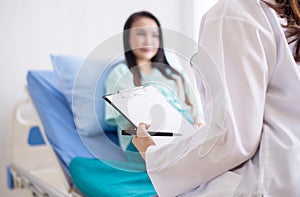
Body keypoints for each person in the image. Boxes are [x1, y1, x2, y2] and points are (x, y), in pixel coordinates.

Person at [133, 0, 300, 196]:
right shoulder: (282, 13)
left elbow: (233, 138)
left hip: (263, 180)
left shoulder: (234, 14)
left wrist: (155, 157)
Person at [105, 11, 203, 155]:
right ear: (127, 38)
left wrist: (198, 126)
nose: (148, 41)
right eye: (141, 34)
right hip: (144, 146)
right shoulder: (120, 73)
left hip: (186, 140)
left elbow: (195, 114)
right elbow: (127, 121)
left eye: (154, 35)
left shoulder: (174, 75)